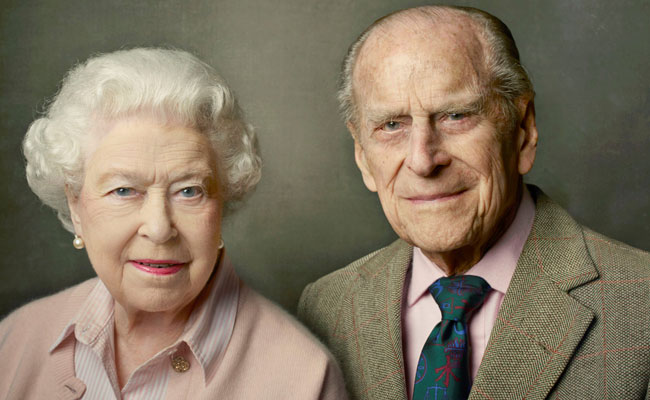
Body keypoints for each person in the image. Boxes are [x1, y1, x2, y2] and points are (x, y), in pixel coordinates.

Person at [298, 5, 650, 400]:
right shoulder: (325, 307)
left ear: (523, 129)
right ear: (362, 154)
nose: (423, 159)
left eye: (456, 115)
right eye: (392, 125)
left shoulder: (641, 307)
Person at [0, 48, 347, 400]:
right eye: (124, 190)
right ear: (76, 204)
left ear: (222, 199)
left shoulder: (304, 378)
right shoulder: (14, 342)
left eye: (189, 191)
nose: (159, 227)